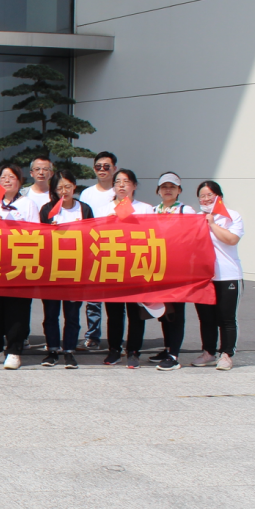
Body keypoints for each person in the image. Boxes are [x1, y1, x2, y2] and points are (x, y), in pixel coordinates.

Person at [0, 164, 39, 370]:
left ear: (19, 181)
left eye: (11, 177)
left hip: (19, 263)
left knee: (17, 308)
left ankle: (14, 350)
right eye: (3, 177)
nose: (7, 180)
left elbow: (36, 234)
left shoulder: (28, 204)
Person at [38, 171, 94, 369]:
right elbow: (39, 238)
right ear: (54, 190)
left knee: (72, 314)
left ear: (74, 187)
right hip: (52, 268)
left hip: (76, 269)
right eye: (60, 188)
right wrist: (50, 231)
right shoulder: (48, 209)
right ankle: (52, 350)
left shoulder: (84, 209)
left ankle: (69, 351)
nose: (64, 191)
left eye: (68, 187)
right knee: (51, 313)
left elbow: (93, 235)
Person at [101, 169, 155, 368]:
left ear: (134, 185)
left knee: (135, 312)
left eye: (126, 181)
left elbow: (154, 235)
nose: (122, 185)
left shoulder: (145, 208)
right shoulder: (105, 209)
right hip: (113, 265)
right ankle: (114, 349)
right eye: (118, 182)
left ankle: (133, 351)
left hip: (137, 266)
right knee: (114, 313)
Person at [145, 172, 196, 370]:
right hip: (158, 268)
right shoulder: (152, 211)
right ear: (158, 191)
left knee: (177, 310)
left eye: (172, 186)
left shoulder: (186, 210)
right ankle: (167, 348)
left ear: (179, 190)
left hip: (178, 269)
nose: (168, 190)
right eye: (164, 186)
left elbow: (193, 236)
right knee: (164, 311)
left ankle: (174, 355)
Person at [193, 181, 241, 371]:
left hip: (227, 275)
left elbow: (231, 239)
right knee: (206, 318)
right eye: (202, 196)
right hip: (203, 277)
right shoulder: (196, 218)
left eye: (209, 195)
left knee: (226, 318)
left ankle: (227, 354)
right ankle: (208, 352)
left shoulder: (232, 216)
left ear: (218, 196)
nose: (205, 199)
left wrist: (212, 223)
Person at [78, 151, 118, 351]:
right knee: (93, 298)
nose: (102, 170)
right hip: (92, 248)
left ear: (114, 169)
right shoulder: (87, 194)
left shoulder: (120, 191)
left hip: (116, 249)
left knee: (115, 299)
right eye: (98, 166)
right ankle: (93, 336)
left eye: (106, 166)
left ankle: (116, 339)